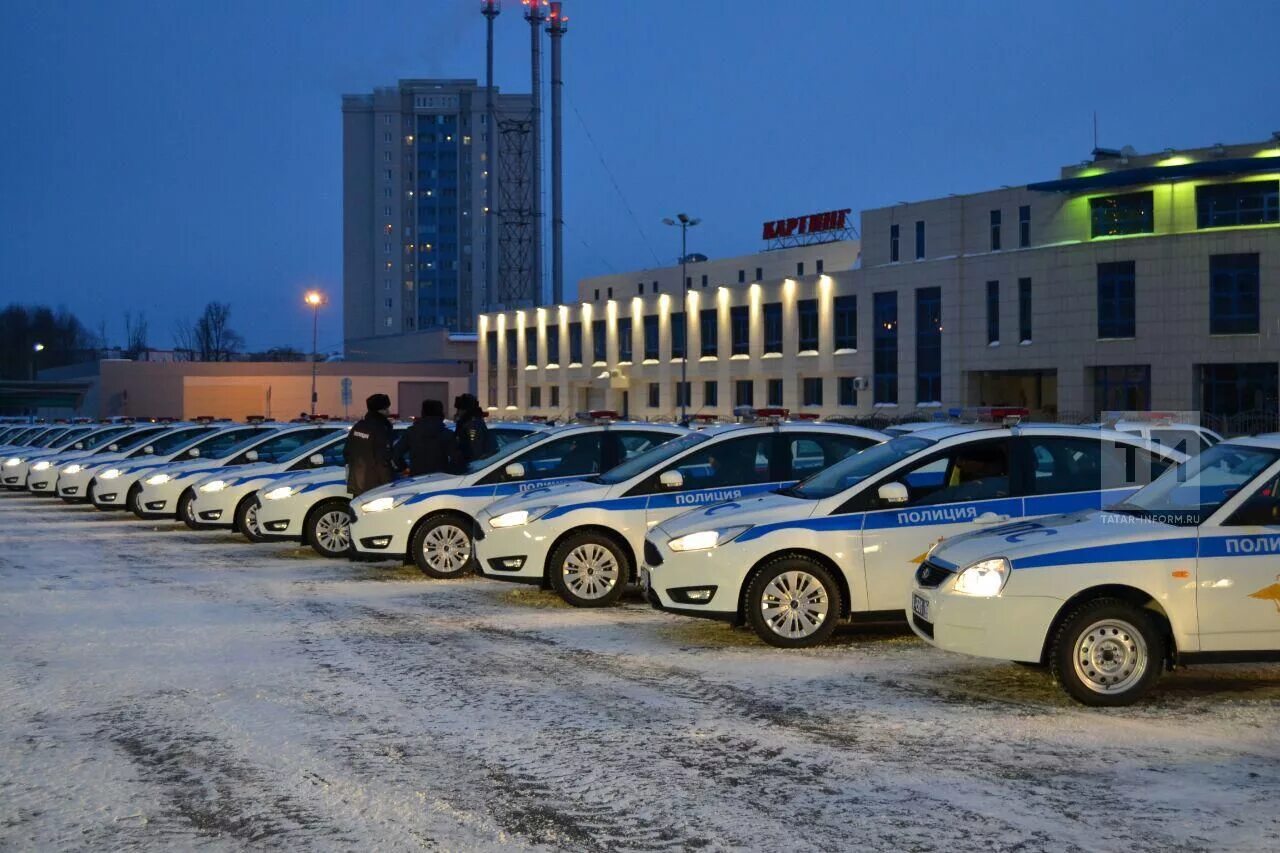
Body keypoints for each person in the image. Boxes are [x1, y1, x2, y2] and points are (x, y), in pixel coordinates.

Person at [393, 399, 462, 476]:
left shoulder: (411, 432)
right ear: (441, 414)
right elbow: (456, 458)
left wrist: (405, 468)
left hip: (417, 477)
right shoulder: (446, 433)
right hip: (440, 478)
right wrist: (449, 472)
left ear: (423, 413)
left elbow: (396, 453)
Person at [346, 393, 396, 496]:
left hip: (358, 483)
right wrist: (388, 484)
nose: (389, 411)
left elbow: (347, 452)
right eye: (387, 408)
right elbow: (383, 459)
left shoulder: (358, 426)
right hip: (376, 486)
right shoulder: (381, 429)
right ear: (380, 410)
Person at [453, 392, 494, 464]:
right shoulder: (467, 422)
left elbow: (475, 448)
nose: (458, 412)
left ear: (465, 410)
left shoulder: (472, 424)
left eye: (459, 409)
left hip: (471, 466)